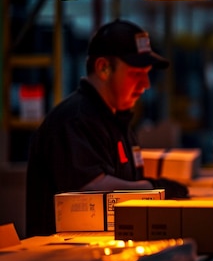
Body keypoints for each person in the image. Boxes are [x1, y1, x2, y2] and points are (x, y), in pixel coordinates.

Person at [26, 19, 189, 237]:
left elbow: (126, 184)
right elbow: (92, 187)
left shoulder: (115, 121)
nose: (146, 84)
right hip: (67, 260)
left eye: (147, 74)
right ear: (103, 68)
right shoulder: (76, 119)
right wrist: (154, 189)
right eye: (136, 74)